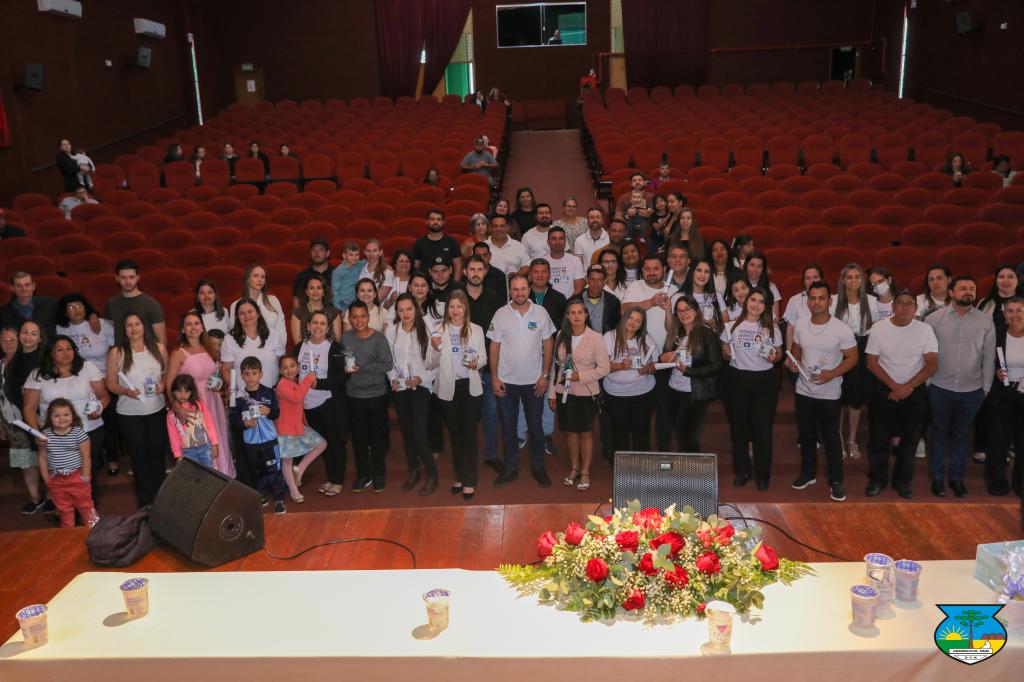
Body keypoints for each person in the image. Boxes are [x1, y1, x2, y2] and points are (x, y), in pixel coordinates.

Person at [786, 281, 858, 502]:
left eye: (821, 298)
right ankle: (808, 474)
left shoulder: (841, 329)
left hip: (829, 393)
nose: (816, 302)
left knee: (831, 438)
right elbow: (797, 348)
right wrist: (794, 361)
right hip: (803, 390)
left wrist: (832, 373)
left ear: (830, 300)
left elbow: (853, 357)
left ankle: (836, 481)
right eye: (813, 298)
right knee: (807, 435)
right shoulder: (800, 324)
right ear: (808, 301)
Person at [925, 276, 995, 499]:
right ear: (951, 292)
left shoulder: (985, 321)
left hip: (972, 390)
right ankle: (937, 479)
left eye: (972, 288)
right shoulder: (933, 319)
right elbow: (925, 354)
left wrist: (985, 387)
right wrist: (927, 383)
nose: (968, 292)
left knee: (961, 436)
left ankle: (957, 479)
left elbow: (989, 356)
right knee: (938, 435)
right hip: (939, 387)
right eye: (963, 288)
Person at [864, 289, 938, 498]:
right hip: (884, 389)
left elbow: (932, 364)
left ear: (915, 308)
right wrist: (894, 387)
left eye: (909, 303)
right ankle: (877, 480)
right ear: (893, 306)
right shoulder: (879, 328)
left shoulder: (925, 330)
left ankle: (902, 482)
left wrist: (906, 387)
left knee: (910, 441)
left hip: (913, 391)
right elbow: (871, 362)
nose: (904, 307)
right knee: (878, 440)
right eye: (900, 302)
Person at [488, 274, 555, 487]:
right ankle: (510, 469)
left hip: (534, 383)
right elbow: (494, 347)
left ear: (529, 289)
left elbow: (548, 343)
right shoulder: (500, 314)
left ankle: (538, 468)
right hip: (506, 382)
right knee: (508, 429)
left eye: (523, 289)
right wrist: (494, 377)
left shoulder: (541, 312)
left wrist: (545, 375)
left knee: (536, 428)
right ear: (510, 291)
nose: (519, 293)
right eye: (515, 289)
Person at [23, 335, 110, 483]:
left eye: (69, 348)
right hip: (54, 435)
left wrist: (98, 409)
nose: (66, 353)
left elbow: (104, 396)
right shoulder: (38, 374)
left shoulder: (88, 367)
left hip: (88, 429)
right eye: (60, 349)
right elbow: (29, 409)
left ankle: (88, 499)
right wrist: (37, 433)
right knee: (60, 476)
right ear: (50, 353)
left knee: (88, 474)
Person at [720, 288, 782, 490]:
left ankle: (763, 476)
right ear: (747, 301)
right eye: (753, 299)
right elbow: (725, 352)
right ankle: (742, 471)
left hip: (764, 381)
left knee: (762, 430)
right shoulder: (732, 325)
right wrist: (726, 352)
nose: (756, 304)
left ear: (766, 306)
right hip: (737, 379)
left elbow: (779, 354)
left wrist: (774, 357)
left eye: (761, 302)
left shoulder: (771, 327)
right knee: (739, 429)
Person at [106, 313, 170, 508]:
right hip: (129, 414)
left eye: (137, 324)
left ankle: (161, 502)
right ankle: (146, 504)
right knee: (139, 458)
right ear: (124, 330)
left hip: (156, 410)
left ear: (144, 326)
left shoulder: (159, 349)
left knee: (157, 457)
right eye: (129, 325)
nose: (134, 329)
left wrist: (163, 385)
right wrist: (125, 391)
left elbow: (166, 375)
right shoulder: (117, 352)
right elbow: (110, 383)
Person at [428, 290, 487, 500]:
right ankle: (460, 476)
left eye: (459, 306)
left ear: (465, 308)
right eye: (452, 307)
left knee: (469, 435)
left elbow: (483, 358)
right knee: (455, 435)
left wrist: (476, 363)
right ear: (447, 309)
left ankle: (469, 480)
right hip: (448, 389)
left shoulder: (476, 330)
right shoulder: (438, 330)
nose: (455, 311)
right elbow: (430, 363)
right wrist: (435, 349)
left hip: (470, 389)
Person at [548, 299, 609, 491]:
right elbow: (555, 367)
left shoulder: (596, 338)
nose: (576, 316)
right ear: (567, 316)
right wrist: (552, 392)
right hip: (563, 392)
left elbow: (604, 368)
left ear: (586, 315)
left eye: (580, 312)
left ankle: (585, 471)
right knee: (570, 432)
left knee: (585, 433)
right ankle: (574, 468)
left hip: (586, 392)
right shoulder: (561, 335)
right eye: (572, 313)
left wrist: (579, 376)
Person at [166, 311, 234, 477]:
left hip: (213, 401)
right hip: (193, 405)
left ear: (202, 327)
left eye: (196, 323)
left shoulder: (208, 348)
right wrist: (177, 408)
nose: (193, 327)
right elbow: (169, 384)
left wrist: (218, 384)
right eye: (188, 324)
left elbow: (214, 373)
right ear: (183, 329)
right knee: (200, 442)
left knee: (217, 436)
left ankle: (222, 474)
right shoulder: (178, 353)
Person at [624, 254, 680, 451]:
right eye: (647, 269)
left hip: (664, 359)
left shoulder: (674, 291)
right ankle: (639, 450)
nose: (651, 272)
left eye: (656, 268)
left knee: (664, 407)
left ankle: (663, 447)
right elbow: (624, 311)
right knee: (640, 409)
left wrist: (667, 309)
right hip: (637, 359)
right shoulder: (635, 287)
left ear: (664, 269)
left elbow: (674, 329)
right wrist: (651, 301)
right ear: (642, 271)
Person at [387, 293, 438, 496]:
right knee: (407, 433)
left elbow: (435, 362)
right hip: (401, 388)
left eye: (409, 309)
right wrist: (392, 377)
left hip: (421, 387)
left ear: (415, 309)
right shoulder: (392, 330)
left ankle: (432, 475)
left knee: (419, 435)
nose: (405, 313)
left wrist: (421, 378)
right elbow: (389, 360)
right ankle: (414, 472)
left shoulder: (427, 329)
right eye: (401, 310)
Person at [294, 311, 348, 498]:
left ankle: (338, 480)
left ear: (328, 327)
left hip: (328, 402)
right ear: (308, 326)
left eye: (323, 323)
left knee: (335, 442)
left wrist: (320, 383)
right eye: (315, 323)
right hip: (307, 405)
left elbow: (344, 376)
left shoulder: (336, 348)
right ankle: (330, 478)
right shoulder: (299, 347)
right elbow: (293, 373)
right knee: (322, 444)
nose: (318, 326)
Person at [660, 296, 723, 452]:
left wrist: (687, 371)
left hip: (695, 393)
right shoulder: (675, 333)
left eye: (687, 309)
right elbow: (665, 357)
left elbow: (715, 366)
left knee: (686, 435)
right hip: (673, 390)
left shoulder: (708, 334)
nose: (683, 314)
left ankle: (693, 464)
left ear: (696, 310)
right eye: (679, 311)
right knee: (678, 431)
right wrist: (663, 357)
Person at [1, 321, 53, 514]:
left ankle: (52, 497)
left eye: (33, 333)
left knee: (50, 459)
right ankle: (35, 498)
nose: (28, 337)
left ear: (40, 338)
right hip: (18, 420)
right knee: (26, 461)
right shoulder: (13, 360)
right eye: (24, 332)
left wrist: (40, 415)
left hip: (44, 418)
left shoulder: (46, 359)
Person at [830, 263, 879, 460]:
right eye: (849, 277)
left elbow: (876, 329)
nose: (853, 281)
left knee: (855, 400)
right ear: (843, 280)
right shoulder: (834, 301)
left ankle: (852, 440)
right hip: (839, 351)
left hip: (861, 349)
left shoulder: (871, 301)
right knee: (838, 398)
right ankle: (838, 440)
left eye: (857, 277)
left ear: (862, 280)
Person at [343, 300, 393, 492]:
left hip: (376, 395)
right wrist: (344, 368)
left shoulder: (379, 339)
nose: (359, 320)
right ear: (349, 319)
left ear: (368, 317)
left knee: (378, 439)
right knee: (358, 439)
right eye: (354, 317)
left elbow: (387, 364)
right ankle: (363, 474)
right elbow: (345, 359)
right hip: (354, 396)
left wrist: (363, 368)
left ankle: (379, 474)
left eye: (363, 316)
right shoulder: (346, 338)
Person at [463, 255, 504, 475]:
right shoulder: (457, 298)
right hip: (463, 367)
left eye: (480, 269)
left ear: (485, 272)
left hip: (489, 367)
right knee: (466, 415)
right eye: (472, 269)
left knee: (490, 412)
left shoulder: (496, 300)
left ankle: (490, 454)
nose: (476, 273)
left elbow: (501, 335)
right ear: (465, 272)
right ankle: (465, 455)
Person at [230, 356, 285, 513]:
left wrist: (268, 411)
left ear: (261, 374)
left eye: (254, 373)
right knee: (257, 470)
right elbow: (234, 419)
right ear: (241, 376)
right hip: (251, 442)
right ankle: (262, 495)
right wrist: (245, 424)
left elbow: (276, 413)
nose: (251, 377)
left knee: (274, 469)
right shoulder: (238, 398)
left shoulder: (268, 393)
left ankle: (279, 499)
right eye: (247, 374)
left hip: (269, 440)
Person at [603, 306, 658, 451]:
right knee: (620, 432)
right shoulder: (609, 337)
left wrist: (648, 369)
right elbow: (601, 367)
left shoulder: (647, 339)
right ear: (624, 318)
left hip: (643, 393)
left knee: (642, 431)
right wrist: (621, 366)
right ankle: (622, 464)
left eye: (638, 321)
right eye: (631, 318)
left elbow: (655, 364)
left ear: (641, 325)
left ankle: (641, 463)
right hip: (616, 395)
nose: (633, 323)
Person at [274, 354, 328, 503]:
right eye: (285, 367)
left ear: (297, 367)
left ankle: (299, 470)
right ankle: (293, 490)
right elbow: (297, 397)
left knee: (321, 444)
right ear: (280, 371)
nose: (289, 370)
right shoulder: (282, 385)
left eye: (292, 366)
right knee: (287, 461)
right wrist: (309, 379)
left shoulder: (294, 382)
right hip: (285, 429)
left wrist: (305, 423)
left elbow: (298, 406)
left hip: (297, 426)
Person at [37, 399, 97, 528]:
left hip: (77, 477)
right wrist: (46, 478)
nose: (62, 418)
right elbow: (42, 457)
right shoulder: (45, 435)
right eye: (56, 415)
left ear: (72, 416)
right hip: (56, 479)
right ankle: (69, 535)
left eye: (66, 414)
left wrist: (85, 477)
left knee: (86, 507)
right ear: (50, 417)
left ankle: (96, 531)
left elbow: (86, 457)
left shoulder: (79, 433)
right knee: (64, 510)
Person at [987, 296, 1024, 497]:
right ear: (1004, 313)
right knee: (998, 441)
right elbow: (986, 360)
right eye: (1010, 310)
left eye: (1019, 310)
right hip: (1003, 393)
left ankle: (1021, 483)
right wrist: (995, 372)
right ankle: (997, 482)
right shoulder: (997, 334)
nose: (1015, 315)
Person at [103, 259, 166, 346]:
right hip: (120, 352)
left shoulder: (151, 304)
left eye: (131, 277)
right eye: (123, 277)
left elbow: (161, 339)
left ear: (138, 278)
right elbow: (107, 334)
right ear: (117, 278)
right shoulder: (111, 303)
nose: (128, 281)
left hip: (146, 352)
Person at [166, 374, 220, 467]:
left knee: (208, 472)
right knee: (192, 474)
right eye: (179, 391)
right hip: (187, 451)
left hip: (205, 447)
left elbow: (210, 424)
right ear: (173, 392)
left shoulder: (200, 405)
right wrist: (178, 455)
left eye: (186, 391)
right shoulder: (171, 414)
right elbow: (173, 436)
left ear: (191, 392)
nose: (183, 395)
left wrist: (215, 443)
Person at [231, 264, 287, 345]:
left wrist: (280, 349)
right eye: (256, 276)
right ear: (247, 279)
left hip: (274, 348)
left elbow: (281, 328)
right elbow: (235, 333)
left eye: (263, 277)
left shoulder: (273, 300)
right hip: (247, 348)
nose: (260, 280)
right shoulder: (235, 305)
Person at [782, 265, 825, 352]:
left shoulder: (832, 300)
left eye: (815, 277)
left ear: (822, 280)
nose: (812, 281)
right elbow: (790, 330)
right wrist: (789, 355)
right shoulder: (794, 300)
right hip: (800, 350)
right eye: (808, 278)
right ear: (804, 282)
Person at [2, 271, 58, 337]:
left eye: (27, 285)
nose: (24, 289)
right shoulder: (3, 313)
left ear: (33, 286)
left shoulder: (50, 304)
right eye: (19, 286)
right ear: (12, 288)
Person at [291, 273, 342, 343]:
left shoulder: (334, 312)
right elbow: (297, 343)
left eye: (319, 288)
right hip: (305, 349)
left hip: (330, 349)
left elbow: (337, 340)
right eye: (312, 288)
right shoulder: (298, 313)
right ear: (306, 292)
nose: (315, 291)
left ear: (323, 292)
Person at [413, 209, 463, 280]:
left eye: (438, 219)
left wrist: (455, 284)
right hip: (426, 284)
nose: (435, 222)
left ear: (443, 222)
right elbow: (415, 267)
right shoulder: (419, 242)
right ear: (427, 222)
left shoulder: (452, 242)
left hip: (448, 284)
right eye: (432, 219)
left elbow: (458, 265)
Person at [680, 259, 726, 332]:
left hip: (712, 337)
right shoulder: (680, 296)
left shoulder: (717, 295)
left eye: (707, 272)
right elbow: (672, 328)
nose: (703, 275)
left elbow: (726, 321)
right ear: (692, 272)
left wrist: (715, 322)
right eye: (699, 270)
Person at [542, 226, 585, 299]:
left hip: (569, 303)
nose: (557, 242)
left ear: (565, 241)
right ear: (548, 242)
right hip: (546, 303)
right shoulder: (542, 262)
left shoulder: (575, 261)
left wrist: (568, 304)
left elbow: (578, 290)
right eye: (554, 239)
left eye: (561, 238)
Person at [292, 238, 334, 310]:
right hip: (308, 314)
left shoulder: (338, 274)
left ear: (327, 254)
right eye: (313, 250)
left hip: (333, 314)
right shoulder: (302, 276)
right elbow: (296, 301)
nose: (317, 253)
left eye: (320, 250)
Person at [580, 264, 621, 334]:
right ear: (587, 280)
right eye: (592, 279)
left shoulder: (613, 302)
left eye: (600, 279)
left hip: (606, 340)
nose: (596, 283)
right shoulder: (575, 301)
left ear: (605, 281)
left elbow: (616, 328)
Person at [979, 265, 1021, 331]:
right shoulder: (985, 303)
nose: (1005, 280)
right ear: (996, 282)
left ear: (1018, 281)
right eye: (1001, 277)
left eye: (1010, 277)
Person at [331, 242, 367, 312]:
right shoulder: (338, 271)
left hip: (357, 301)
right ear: (344, 256)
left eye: (356, 255)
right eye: (351, 255)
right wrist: (339, 309)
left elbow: (372, 262)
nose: (354, 257)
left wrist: (386, 266)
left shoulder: (360, 264)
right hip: (343, 302)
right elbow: (334, 292)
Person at [743, 251, 781, 318]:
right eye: (752, 265)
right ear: (746, 266)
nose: (755, 269)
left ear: (763, 269)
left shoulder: (771, 287)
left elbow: (775, 319)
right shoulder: (738, 287)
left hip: (765, 323)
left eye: (759, 266)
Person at [361, 238, 394, 303]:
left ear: (380, 252)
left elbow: (378, 299)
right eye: (368, 251)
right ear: (364, 252)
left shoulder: (387, 272)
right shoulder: (360, 268)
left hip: (375, 307)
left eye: (374, 251)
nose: (371, 254)